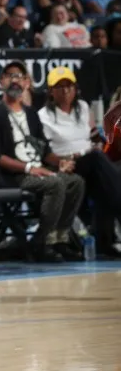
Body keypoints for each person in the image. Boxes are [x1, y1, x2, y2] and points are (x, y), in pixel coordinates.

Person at [0, 60, 85, 261]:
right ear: (1, 81)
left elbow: (44, 151)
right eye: (10, 75)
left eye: (20, 76)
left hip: (36, 170)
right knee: (55, 183)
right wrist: (29, 168)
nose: (15, 80)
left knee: (75, 181)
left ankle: (59, 239)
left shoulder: (31, 114)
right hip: (12, 176)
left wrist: (59, 162)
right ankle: (41, 242)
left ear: (28, 83)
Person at [38, 67, 121, 256]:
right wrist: (66, 160)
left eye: (69, 85)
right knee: (98, 161)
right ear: (51, 91)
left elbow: (94, 137)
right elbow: (45, 153)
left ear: (75, 88)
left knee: (107, 175)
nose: (65, 90)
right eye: (59, 87)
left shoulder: (83, 108)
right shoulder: (43, 116)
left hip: (90, 161)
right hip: (67, 164)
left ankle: (105, 242)